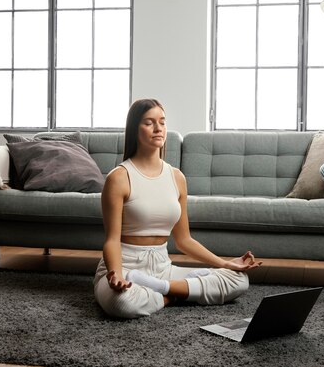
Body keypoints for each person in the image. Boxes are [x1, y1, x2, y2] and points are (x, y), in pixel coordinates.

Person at [94, 98, 260, 319]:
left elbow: (184, 240)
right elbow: (112, 240)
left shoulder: (176, 177)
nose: (158, 128)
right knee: (122, 303)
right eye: (149, 122)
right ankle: (176, 292)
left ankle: (160, 288)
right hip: (125, 266)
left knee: (238, 279)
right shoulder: (119, 177)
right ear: (134, 129)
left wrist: (226, 263)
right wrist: (115, 274)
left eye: (162, 122)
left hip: (163, 268)